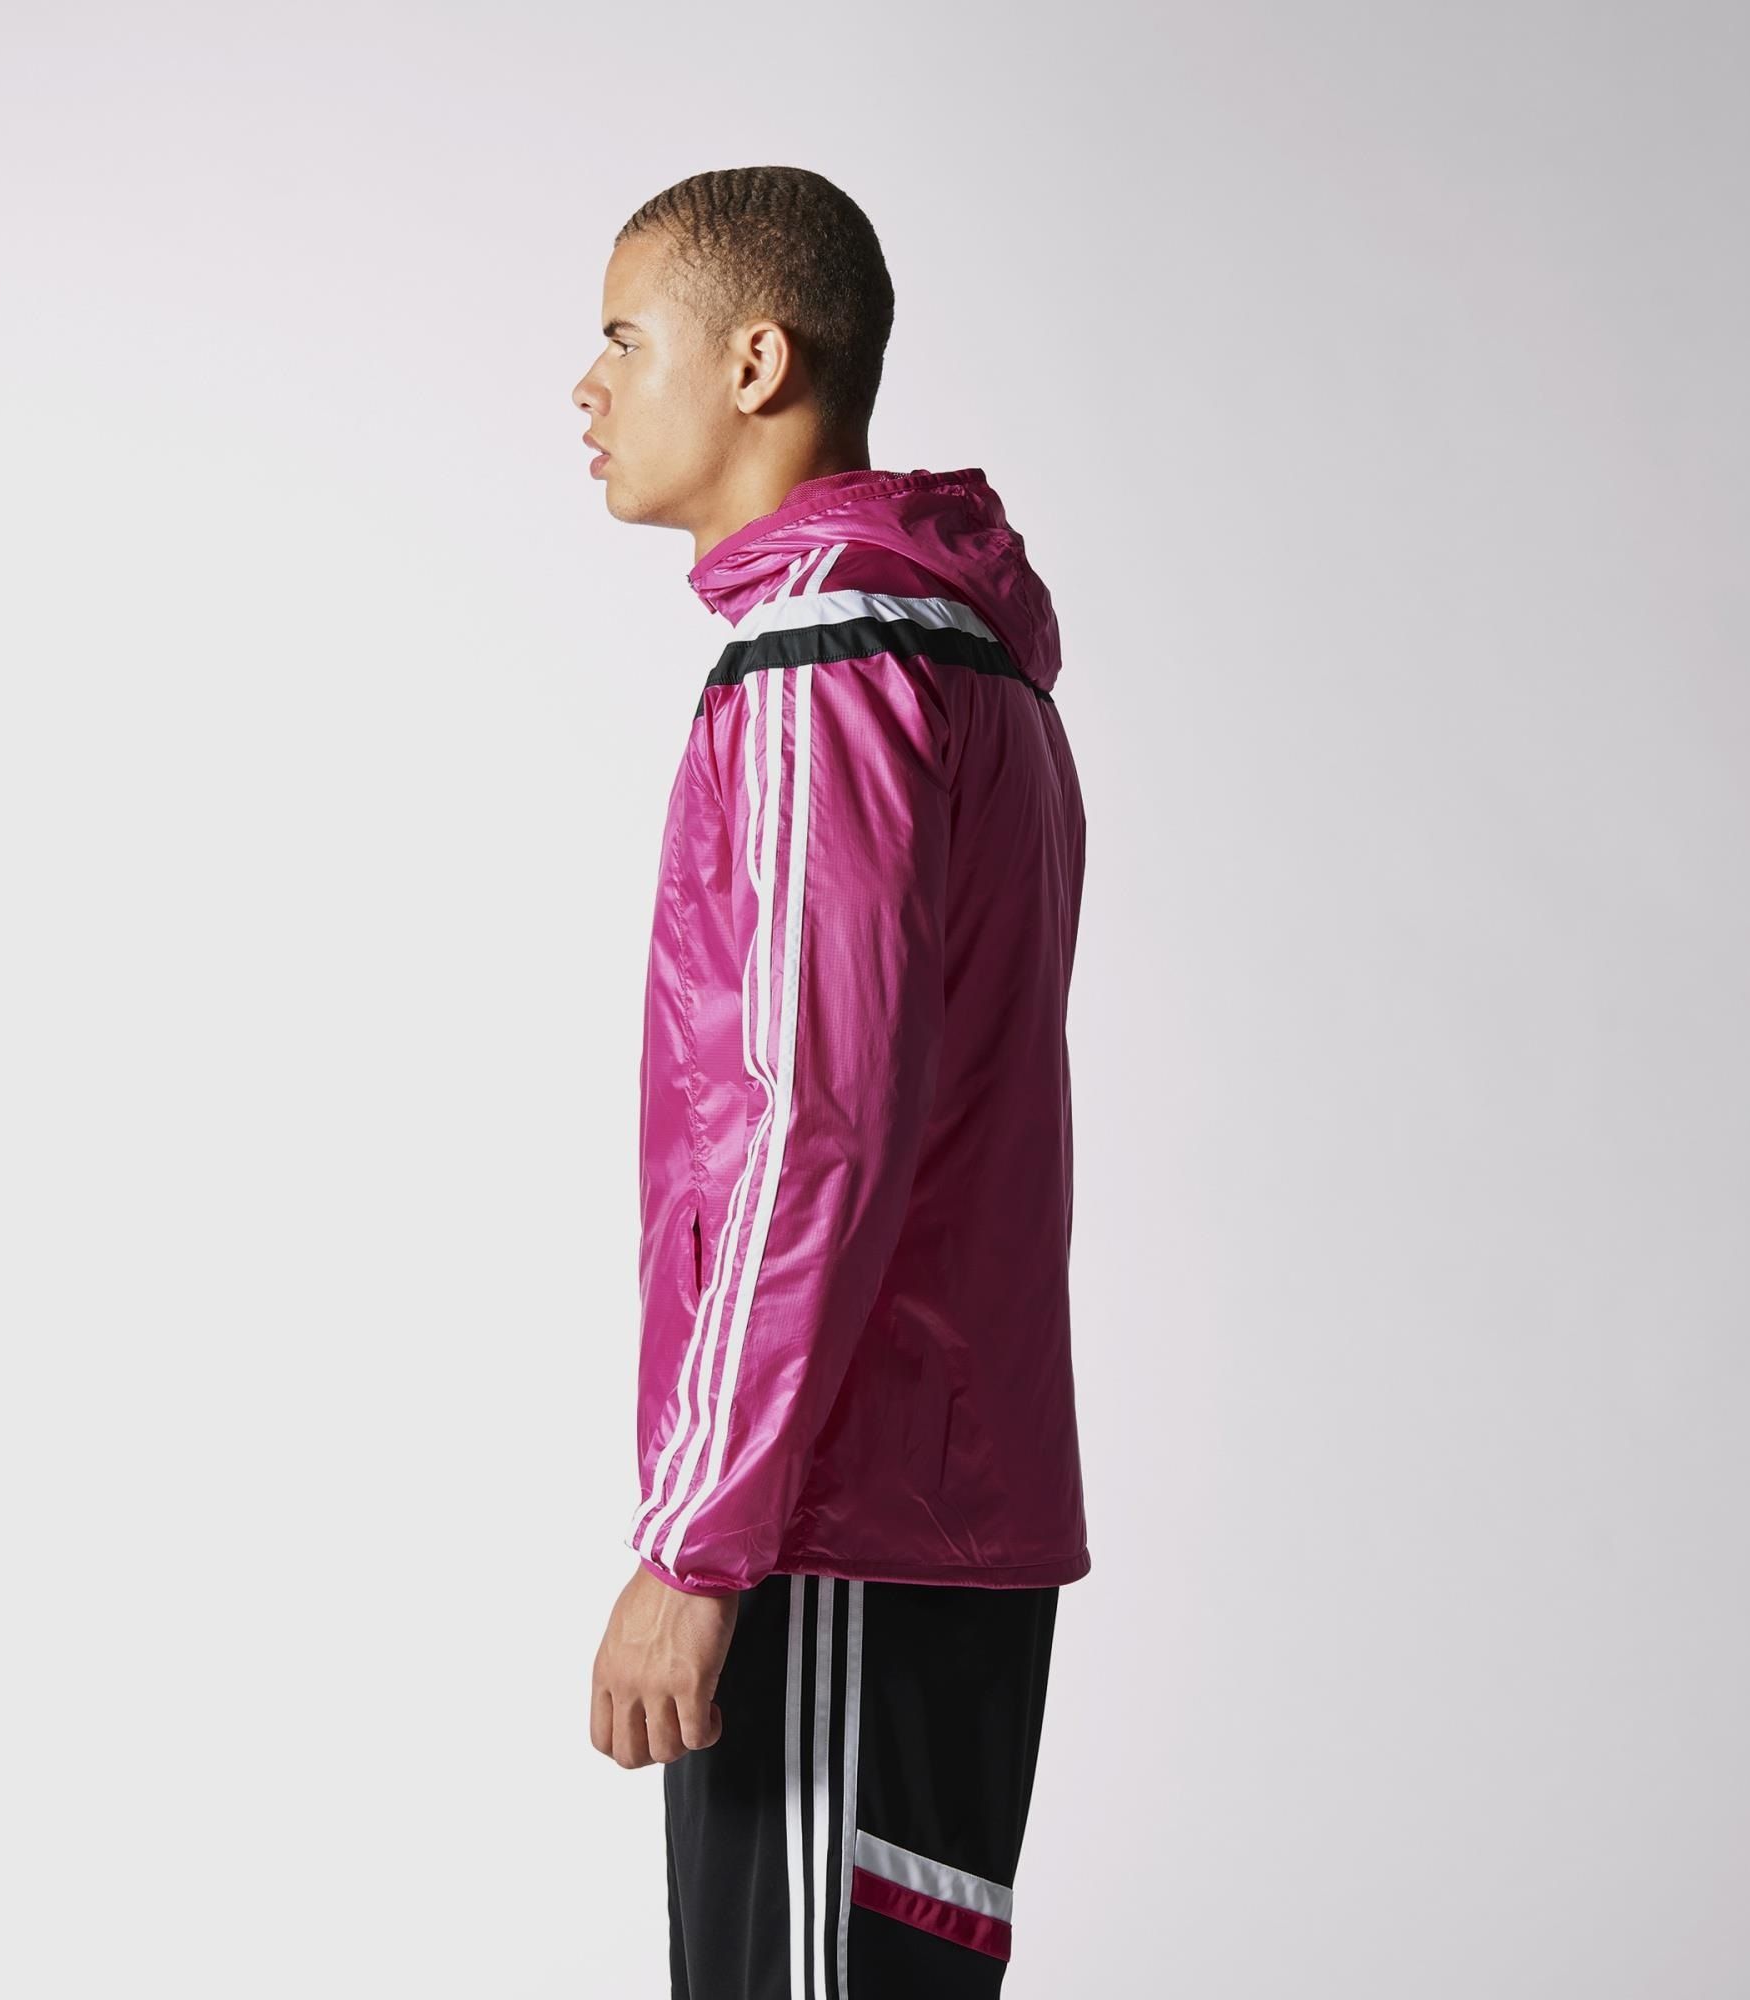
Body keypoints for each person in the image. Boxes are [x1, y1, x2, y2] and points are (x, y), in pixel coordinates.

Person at [574, 164, 1091, 1998]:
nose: (587, 387)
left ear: (755, 362)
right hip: (916, 1509)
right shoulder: (961, 661)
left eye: (624, 338)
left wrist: (697, 1546)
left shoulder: (824, 664)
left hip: (835, 1517)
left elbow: (811, 1124)